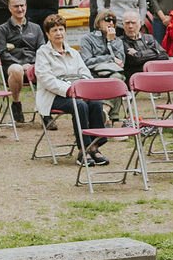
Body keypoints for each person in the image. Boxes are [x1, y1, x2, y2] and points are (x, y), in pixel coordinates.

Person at [34, 14, 113, 162]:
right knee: (80, 105)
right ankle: (84, 149)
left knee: (95, 103)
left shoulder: (74, 53)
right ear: (47, 34)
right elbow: (46, 79)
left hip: (78, 92)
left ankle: (95, 146)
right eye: (54, 30)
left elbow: (85, 74)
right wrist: (69, 89)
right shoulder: (42, 53)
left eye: (61, 29)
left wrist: (81, 88)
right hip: (54, 96)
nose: (58, 33)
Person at [0, 0, 43, 124]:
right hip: (11, 67)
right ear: (10, 8)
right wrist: (20, 64)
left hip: (33, 66)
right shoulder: (2, 29)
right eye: (16, 6)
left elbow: (42, 51)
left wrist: (33, 65)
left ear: (26, 6)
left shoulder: (36, 28)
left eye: (22, 5)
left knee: (46, 70)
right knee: (17, 70)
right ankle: (16, 103)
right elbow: (1, 52)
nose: (20, 9)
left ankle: (45, 111)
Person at [117, 11, 167, 82]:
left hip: (154, 74)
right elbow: (134, 59)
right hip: (133, 77)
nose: (130, 26)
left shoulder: (149, 38)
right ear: (123, 25)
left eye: (133, 23)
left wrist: (139, 54)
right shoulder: (119, 41)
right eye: (127, 23)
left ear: (140, 24)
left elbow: (164, 56)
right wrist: (155, 52)